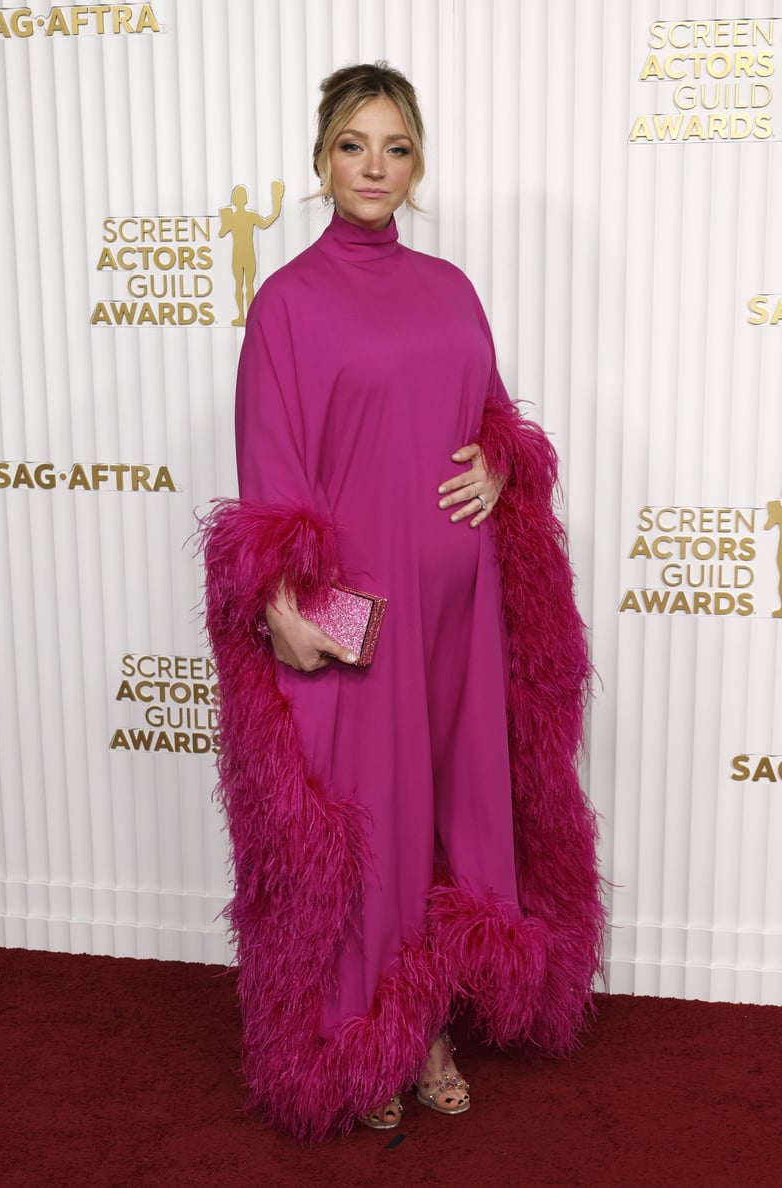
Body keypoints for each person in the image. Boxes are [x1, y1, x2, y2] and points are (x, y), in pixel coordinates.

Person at [202, 61, 604, 1143]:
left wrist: (505, 467)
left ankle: (428, 1030)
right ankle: (364, 1035)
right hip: (355, 614)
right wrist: (285, 602)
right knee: (363, 822)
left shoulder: (452, 288)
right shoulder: (288, 303)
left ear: (416, 163)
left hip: (459, 612)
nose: (373, 167)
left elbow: (482, 417)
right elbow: (271, 461)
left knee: (448, 812)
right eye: (352, 145)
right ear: (322, 157)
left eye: (394, 147)